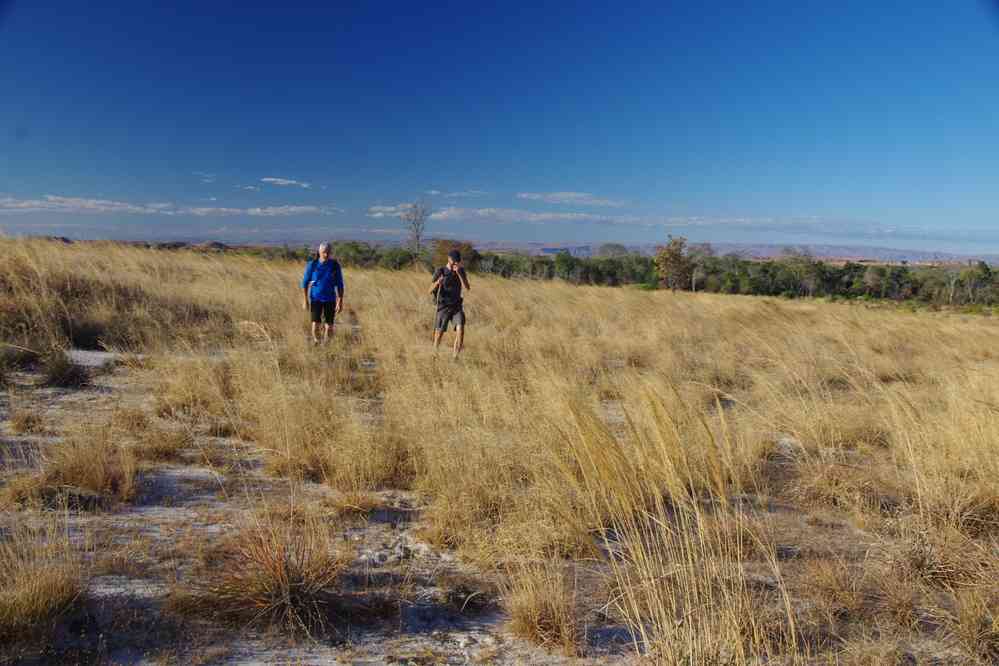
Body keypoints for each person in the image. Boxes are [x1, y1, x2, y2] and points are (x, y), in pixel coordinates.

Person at [429, 249, 471, 358]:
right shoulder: (441, 271)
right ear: (449, 259)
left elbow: (467, 287)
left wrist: (459, 274)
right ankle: (434, 354)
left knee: (460, 329)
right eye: (454, 261)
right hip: (443, 306)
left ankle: (455, 357)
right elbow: (429, 290)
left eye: (457, 261)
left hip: (457, 306)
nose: (455, 263)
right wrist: (438, 282)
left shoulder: (460, 270)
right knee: (439, 333)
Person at [301, 242, 344, 345]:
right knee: (315, 324)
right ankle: (317, 341)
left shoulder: (334, 266)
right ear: (319, 252)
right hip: (316, 299)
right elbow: (305, 283)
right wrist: (305, 300)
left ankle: (326, 345)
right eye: (324, 252)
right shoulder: (313, 265)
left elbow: (340, 284)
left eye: (328, 252)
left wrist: (340, 301)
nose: (326, 255)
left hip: (330, 299)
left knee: (329, 326)